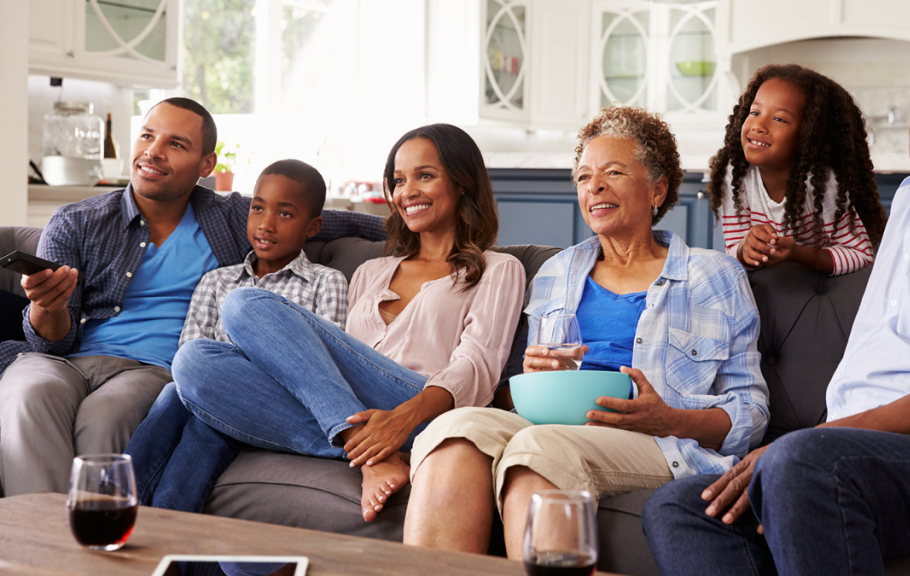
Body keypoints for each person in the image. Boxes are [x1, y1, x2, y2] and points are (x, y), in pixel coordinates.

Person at [643, 41, 910, 576]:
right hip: (845, 448)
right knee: (682, 508)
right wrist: (823, 440)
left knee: (799, 465)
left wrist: (815, 441)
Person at [402, 106, 770, 558]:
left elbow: (750, 412)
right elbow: (512, 398)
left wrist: (669, 417)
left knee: (539, 446)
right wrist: (531, 382)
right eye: (583, 177)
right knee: (454, 429)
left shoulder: (712, 275)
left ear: (657, 189)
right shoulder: (557, 272)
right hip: (551, 423)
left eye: (613, 172)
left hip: (659, 440)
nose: (594, 186)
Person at [0, 97, 385, 497]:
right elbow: (49, 342)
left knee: (105, 417)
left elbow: (343, 220)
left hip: (150, 370)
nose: (153, 151)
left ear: (206, 166)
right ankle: (43, 544)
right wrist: (49, 306)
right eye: (148, 136)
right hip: (66, 361)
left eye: (176, 144)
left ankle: (97, 542)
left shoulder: (233, 217)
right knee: (28, 393)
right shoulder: (75, 221)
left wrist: (435, 227)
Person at [168, 123, 526, 521]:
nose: (408, 192)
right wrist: (367, 427)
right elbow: (330, 359)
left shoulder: (497, 268)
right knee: (193, 361)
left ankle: (365, 440)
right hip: (355, 410)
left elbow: (477, 366)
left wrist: (404, 416)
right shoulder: (371, 271)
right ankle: (365, 450)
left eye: (425, 176)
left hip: (425, 410)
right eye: (399, 180)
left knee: (243, 304)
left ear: (463, 182)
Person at [124, 159, 348, 513]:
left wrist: (232, 377)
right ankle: (127, 507)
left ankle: (121, 509)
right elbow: (190, 356)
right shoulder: (217, 281)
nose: (266, 224)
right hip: (206, 395)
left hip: (275, 405)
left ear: (313, 226)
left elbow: (323, 364)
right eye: (258, 208)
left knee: (206, 419)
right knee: (177, 395)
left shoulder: (326, 281)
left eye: (285, 214)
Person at [709, 64, 887, 276]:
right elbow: (733, 252)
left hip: (818, 281)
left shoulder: (821, 184)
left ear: (809, 135)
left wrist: (797, 254)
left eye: (779, 119)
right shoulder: (736, 176)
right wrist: (746, 248)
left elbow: (860, 254)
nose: (758, 125)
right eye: (755, 112)